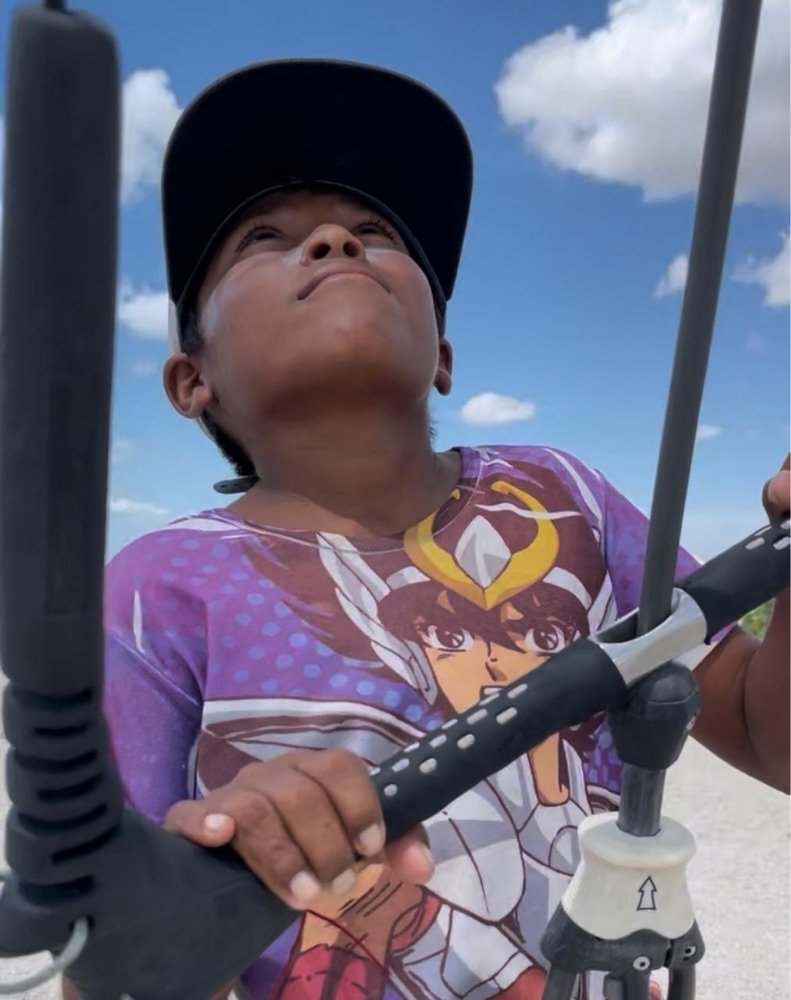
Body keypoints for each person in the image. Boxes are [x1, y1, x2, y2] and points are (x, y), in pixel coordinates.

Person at [65, 60, 789, 1000]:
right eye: (263, 237)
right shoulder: (151, 588)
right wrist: (203, 866)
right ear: (189, 379)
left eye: (376, 233)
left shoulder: (564, 495)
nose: (334, 240)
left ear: (442, 352)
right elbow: (113, 960)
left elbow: (767, 736)